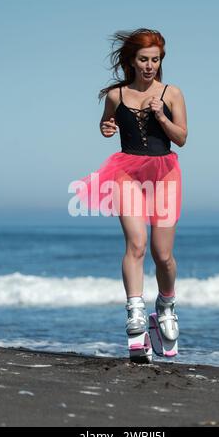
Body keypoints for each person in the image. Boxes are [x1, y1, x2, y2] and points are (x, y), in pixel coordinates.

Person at [74, 28, 187, 344]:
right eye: (143, 59)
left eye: (155, 59)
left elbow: (182, 138)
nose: (149, 65)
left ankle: (166, 305)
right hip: (126, 172)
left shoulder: (172, 94)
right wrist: (106, 127)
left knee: (162, 254)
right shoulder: (117, 95)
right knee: (136, 244)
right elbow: (106, 122)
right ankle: (135, 309)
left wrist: (161, 118)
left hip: (165, 173)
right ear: (132, 61)